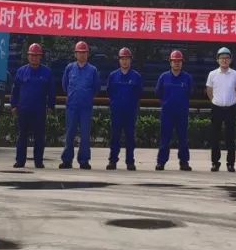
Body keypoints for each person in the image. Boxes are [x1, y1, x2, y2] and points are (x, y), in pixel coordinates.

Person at [9, 43, 56, 168]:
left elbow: (51, 91)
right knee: (22, 136)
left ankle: (38, 161)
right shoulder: (21, 71)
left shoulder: (47, 72)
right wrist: (13, 105)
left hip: (39, 111)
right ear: (28, 56)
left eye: (36, 55)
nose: (34, 58)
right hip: (23, 110)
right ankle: (20, 161)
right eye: (32, 55)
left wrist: (51, 106)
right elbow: (15, 90)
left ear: (40, 57)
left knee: (39, 137)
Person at [60, 40, 100, 169]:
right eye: (79, 52)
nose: (82, 55)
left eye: (84, 52)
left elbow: (96, 88)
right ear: (75, 54)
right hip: (72, 106)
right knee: (70, 133)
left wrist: (87, 97)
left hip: (85, 107)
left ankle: (84, 160)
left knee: (85, 134)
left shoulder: (93, 70)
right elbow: (65, 85)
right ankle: (67, 160)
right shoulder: (70, 68)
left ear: (87, 54)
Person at [155, 49, 193, 171]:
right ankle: (161, 162)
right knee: (165, 138)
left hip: (182, 113)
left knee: (183, 138)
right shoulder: (164, 77)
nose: (177, 63)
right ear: (170, 62)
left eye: (179, 61)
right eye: (174, 61)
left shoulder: (187, 78)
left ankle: (184, 162)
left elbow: (190, 93)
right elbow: (158, 92)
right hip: (167, 113)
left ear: (182, 63)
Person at [106, 47, 143, 170]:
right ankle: (112, 161)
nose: (125, 61)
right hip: (116, 112)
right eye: (122, 59)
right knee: (115, 137)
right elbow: (109, 92)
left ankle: (130, 161)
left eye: (127, 59)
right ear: (119, 60)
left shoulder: (136, 76)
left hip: (130, 112)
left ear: (130, 60)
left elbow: (138, 93)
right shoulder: (113, 76)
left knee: (130, 137)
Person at [205, 46, 236, 172]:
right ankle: (215, 162)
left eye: (227, 58)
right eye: (222, 58)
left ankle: (230, 163)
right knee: (215, 137)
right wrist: (215, 101)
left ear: (230, 60)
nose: (224, 60)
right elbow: (209, 90)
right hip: (217, 108)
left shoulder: (235, 74)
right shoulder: (212, 74)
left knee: (230, 137)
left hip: (230, 108)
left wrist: (231, 100)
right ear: (217, 60)